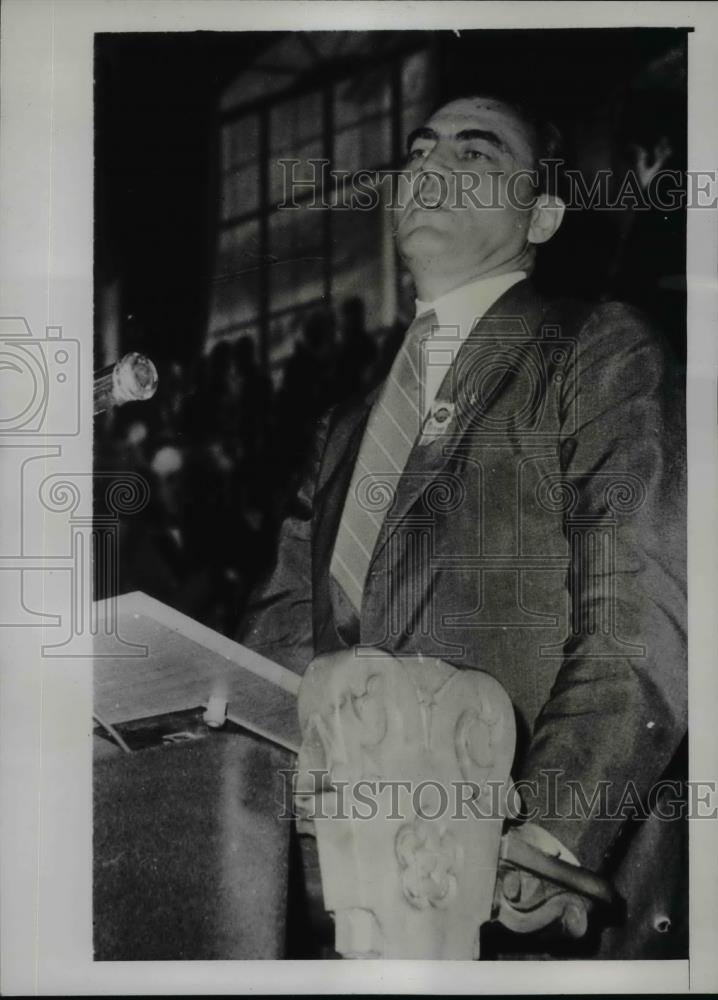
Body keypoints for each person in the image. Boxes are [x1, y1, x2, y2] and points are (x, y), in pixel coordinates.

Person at [238, 96, 687, 959]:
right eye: (419, 151)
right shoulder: (342, 428)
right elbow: (277, 651)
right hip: (351, 893)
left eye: (476, 154)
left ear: (543, 215)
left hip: (526, 903)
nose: (432, 167)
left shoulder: (598, 348)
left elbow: (641, 611)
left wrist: (548, 833)